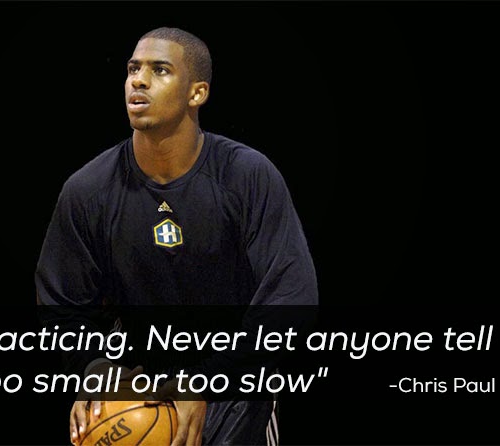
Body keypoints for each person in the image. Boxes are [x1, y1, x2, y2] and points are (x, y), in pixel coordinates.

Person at [35, 27, 318, 446]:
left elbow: (291, 300)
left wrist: (207, 380)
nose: (139, 80)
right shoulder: (88, 190)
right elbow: (62, 307)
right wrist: (95, 371)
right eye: (133, 69)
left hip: (234, 391)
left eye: (160, 70)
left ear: (197, 93)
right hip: (137, 393)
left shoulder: (247, 176)